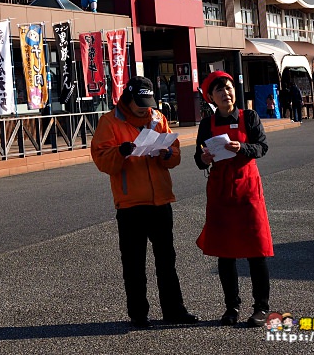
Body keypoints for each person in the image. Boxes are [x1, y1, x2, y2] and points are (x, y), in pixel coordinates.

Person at [90, 76, 198, 329]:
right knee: (134, 262)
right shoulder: (109, 122)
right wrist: (121, 152)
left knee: (166, 260)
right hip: (130, 204)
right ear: (127, 97)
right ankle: (138, 313)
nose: (144, 107)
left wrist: (167, 153)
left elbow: (176, 154)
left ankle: (174, 310)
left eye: (147, 102)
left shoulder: (158, 118)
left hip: (161, 200)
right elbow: (101, 159)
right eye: (139, 102)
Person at [194, 71, 274, 327]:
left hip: (248, 188)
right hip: (220, 191)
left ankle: (261, 307)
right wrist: (203, 159)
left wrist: (244, 148)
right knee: (225, 252)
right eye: (220, 91)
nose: (226, 93)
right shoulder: (206, 124)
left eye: (228, 88)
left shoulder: (248, 117)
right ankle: (232, 307)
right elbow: (199, 158)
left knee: (256, 250)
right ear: (211, 98)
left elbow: (262, 146)